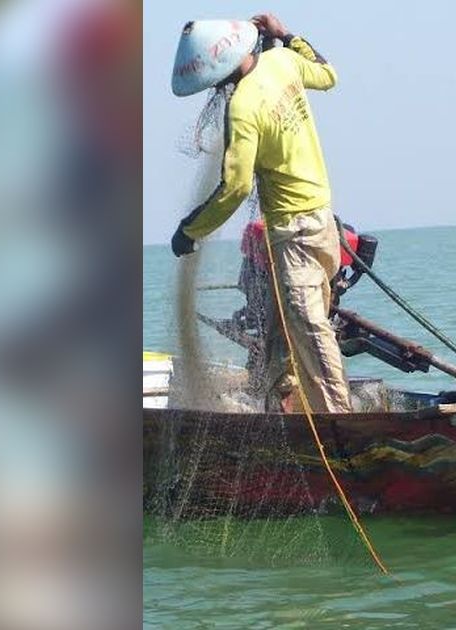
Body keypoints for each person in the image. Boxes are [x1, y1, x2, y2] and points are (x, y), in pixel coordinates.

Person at [169, 14, 352, 414]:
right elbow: (328, 74)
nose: (217, 89)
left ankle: (341, 428)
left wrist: (190, 230)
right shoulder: (282, 61)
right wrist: (286, 35)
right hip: (323, 223)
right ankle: (287, 409)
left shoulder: (242, 107)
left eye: (215, 82)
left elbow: (234, 188)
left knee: (309, 332)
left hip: (294, 233)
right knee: (290, 332)